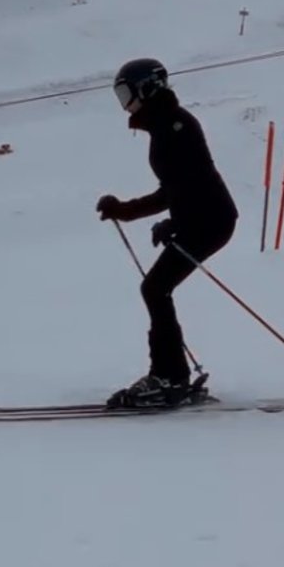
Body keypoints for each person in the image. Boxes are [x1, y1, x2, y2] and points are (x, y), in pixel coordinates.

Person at [97, 57, 238, 407]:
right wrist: (127, 211)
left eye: (127, 94)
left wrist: (174, 223)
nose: (125, 104)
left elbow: (190, 186)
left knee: (155, 288)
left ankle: (169, 377)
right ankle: (171, 375)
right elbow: (175, 190)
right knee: (156, 289)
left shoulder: (176, 128)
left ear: (147, 89)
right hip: (204, 218)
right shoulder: (165, 126)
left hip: (211, 220)